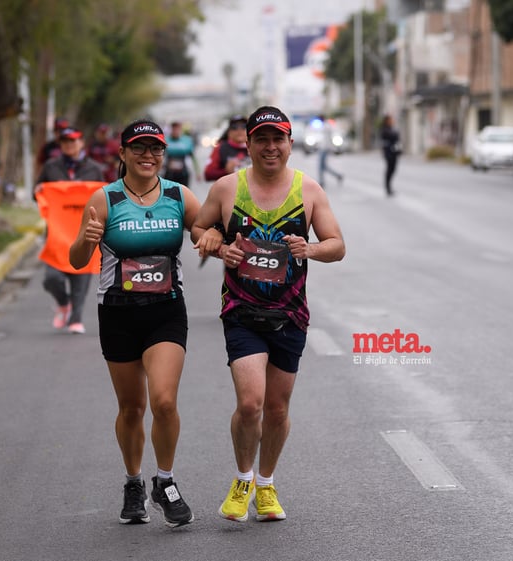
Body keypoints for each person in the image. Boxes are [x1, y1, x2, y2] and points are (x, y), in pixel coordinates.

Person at [191, 105, 345, 523]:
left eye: (278, 139)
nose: (271, 147)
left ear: (291, 145)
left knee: (277, 409)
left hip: (290, 315)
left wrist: (309, 248)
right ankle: (242, 479)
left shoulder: (309, 192)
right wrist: (216, 244)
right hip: (241, 310)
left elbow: (337, 245)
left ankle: (266, 483)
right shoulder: (227, 188)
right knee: (251, 403)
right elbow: (200, 228)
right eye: (262, 139)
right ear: (249, 144)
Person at [69, 119, 203, 528]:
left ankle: (165, 481)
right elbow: (76, 260)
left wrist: (211, 237)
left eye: (156, 149)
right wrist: (88, 239)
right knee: (132, 408)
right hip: (118, 312)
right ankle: (133, 482)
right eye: (139, 149)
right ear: (123, 154)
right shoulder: (104, 198)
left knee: (163, 401)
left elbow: (205, 231)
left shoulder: (179, 195)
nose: (149, 156)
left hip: (166, 310)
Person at [34, 127, 105, 334]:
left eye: (73, 141)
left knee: (81, 276)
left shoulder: (94, 169)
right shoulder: (51, 167)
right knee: (51, 278)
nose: (69, 145)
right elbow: (39, 193)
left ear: (82, 143)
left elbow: (103, 196)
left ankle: (76, 319)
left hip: (83, 232)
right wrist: (38, 191)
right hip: (57, 233)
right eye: (65, 141)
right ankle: (63, 304)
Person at [203, 115, 250, 181]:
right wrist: (226, 171)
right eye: (234, 127)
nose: (239, 130)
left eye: (243, 126)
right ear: (229, 132)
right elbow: (208, 173)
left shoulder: (255, 146)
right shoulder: (221, 148)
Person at [163, 121, 198, 187]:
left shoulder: (187, 140)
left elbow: (193, 157)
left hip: (183, 173)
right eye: (174, 129)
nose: (176, 131)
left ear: (180, 130)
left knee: (183, 193)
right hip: (169, 173)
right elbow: (160, 155)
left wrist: (197, 172)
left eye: (177, 129)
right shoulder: (166, 140)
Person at [317, 116, 344, 187]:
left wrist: (332, 148)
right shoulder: (325, 126)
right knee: (324, 167)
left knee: (321, 166)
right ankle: (338, 176)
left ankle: (321, 181)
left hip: (324, 149)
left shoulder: (326, 126)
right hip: (324, 148)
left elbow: (328, 139)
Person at [379, 114, 401, 196]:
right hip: (388, 153)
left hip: (394, 152)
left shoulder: (392, 128)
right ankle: (388, 188)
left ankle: (389, 187)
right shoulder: (384, 130)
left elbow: (397, 138)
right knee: (389, 170)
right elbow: (391, 137)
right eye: (390, 120)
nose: (392, 121)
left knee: (393, 169)